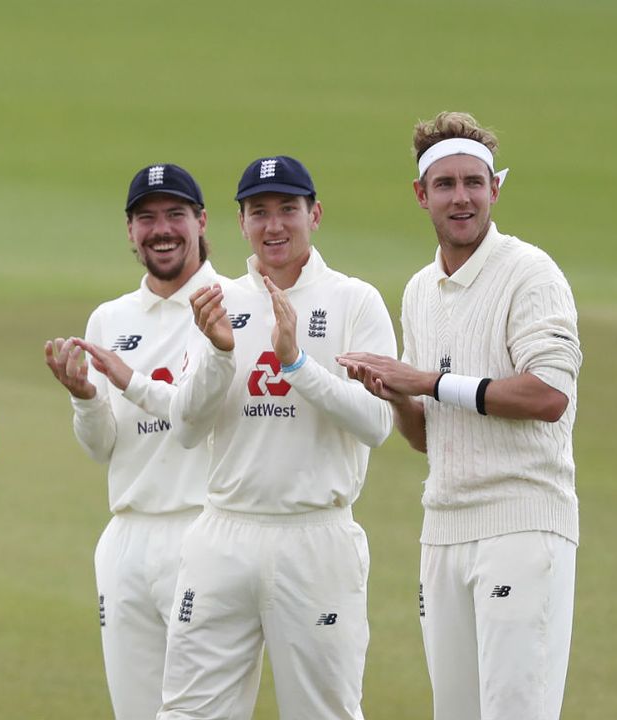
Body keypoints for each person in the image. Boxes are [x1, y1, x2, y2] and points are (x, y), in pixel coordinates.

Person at [338, 112, 581, 720]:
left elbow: (549, 395)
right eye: (445, 184)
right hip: (443, 529)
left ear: (495, 188)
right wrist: (396, 393)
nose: (462, 197)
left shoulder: (531, 273)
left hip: (521, 525)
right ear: (422, 196)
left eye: (474, 182)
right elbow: (428, 435)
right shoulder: (420, 290)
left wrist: (429, 381)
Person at [156, 156, 396, 719]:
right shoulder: (220, 300)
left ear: (314, 213)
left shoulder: (353, 301)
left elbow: (378, 422)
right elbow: (187, 430)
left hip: (314, 537)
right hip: (224, 534)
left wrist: (297, 364)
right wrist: (218, 355)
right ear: (240, 223)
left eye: (287, 209)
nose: (274, 225)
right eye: (258, 211)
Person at [44, 163, 225, 719]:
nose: (161, 229)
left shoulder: (229, 305)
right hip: (126, 534)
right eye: (146, 218)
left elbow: (197, 419)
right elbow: (102, 446)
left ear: (200, 221)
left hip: (203, 527)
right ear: (130, 231)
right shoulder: (110, 318)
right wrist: (84, 396)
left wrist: (128, 381)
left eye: (175, 215)